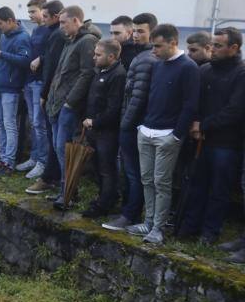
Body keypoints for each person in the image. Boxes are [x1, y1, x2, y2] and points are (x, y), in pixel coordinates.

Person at [129, 24, 199, 245]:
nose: (154, 51)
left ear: (173, 43)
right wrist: (141, 126)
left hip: (167, 135)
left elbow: (190, 105)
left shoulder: (188, 67)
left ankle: (158, 228)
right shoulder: (158, 65)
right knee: (147, 179)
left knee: (162, 182)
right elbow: (150, 97)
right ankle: (148, 222)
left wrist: (176, 135)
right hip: (147, 130)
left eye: (158, 46)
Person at [179, 28, 245, 248]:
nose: (213, 49)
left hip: (226, 143)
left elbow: (235, 110)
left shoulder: (241, 73)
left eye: (218, 45)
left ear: (233, 48)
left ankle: (210, 232)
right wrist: (195, 124)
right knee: (197, 184)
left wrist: (204, 124)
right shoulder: (206, 70)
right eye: (213, 45)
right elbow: (195, 101)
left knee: (219, 190)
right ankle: (189, 226)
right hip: (201, 139)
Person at [102, 13, 159, 232]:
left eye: (140, 31)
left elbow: (137, 97)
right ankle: (128, 210)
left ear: (152, 33)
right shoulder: (140, 55)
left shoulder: (147, 59)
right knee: (130, 171)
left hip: (134, 124)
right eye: (134, 30)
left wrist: (125, 124)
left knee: (135, 173)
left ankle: (130, 214)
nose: (135, 35)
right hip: (133, 122)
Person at [44, 5, 101, 210]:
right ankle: (65, 190)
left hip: (68, 105)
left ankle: (68, 192)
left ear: (76, 20)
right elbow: (61, 73)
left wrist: (70, 101)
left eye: (63, 22)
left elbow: (87, 73)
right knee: (60, 148)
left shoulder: (87, 41)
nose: (60, 27)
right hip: (56, 102)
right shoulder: (70, 41)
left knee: (63, 148)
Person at [81, 40, 126, 218]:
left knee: (107, 168)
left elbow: (114, 108)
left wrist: (95, 122)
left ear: (111, 56)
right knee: (98, 166)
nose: (94, 57)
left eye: (98, 55)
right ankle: (104, 197)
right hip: (94, 129)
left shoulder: (118, 75)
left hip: (106, 131)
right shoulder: (100, 70)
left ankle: (105, 204)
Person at [27, 0, 66, 195]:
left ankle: (52, 177)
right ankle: (51, 175)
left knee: (53, 136)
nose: (41, 19)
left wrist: (44, 93)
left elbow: (52, 66)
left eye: (45, 16)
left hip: (51, 90)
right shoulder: (52, 33)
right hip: (46, 87)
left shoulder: (58, 35)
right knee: (50, 135)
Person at [0, 6, 32, 175]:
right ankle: (3, 159)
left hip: (11, 89)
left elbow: (25, 60)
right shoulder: (4, 35)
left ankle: (9, 161)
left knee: (9, 125)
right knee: (1, 123)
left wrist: (2, 55)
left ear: (10, 21)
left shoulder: (22, 37)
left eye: (0, 24)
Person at [16, 0, 51, 179]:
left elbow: (51, 54)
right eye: (29, 11)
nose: (30, 15)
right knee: (33, 122)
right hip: (30, 81)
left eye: (33, 11)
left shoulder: (50, 31)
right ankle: (34, 157)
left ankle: (42, 162)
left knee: (39, 123)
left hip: (40, 82)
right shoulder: (36, 30)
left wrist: (41, 59)